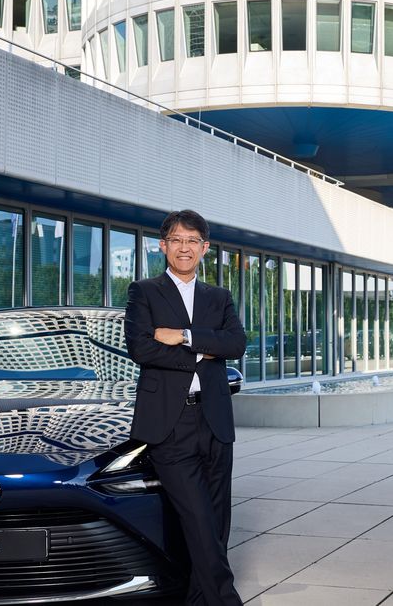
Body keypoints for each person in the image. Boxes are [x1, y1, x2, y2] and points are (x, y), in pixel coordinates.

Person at [125, 209, 245, 606]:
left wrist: (184, 336)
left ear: (205, 248)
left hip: (214, 422)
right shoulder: (143, 291)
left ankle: (198, 600)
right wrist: (204, 351)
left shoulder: (219, 297)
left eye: (192, 241)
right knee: (197, 520)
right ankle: (225, 600)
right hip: (169, 425)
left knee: (217, 523)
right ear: (163, 246)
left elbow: (236, 345)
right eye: (176, 240)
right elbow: (141, 348)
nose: (184, 247)